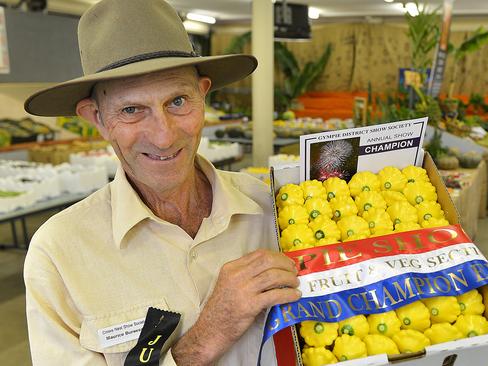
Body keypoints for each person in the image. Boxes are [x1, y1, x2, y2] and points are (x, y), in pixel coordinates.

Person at [22, 0, 300, 364]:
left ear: (203, 94)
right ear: (97, 118)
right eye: (132, 110)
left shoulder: (276, 210)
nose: (164, 136)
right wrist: (207, 334)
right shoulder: (59, 253)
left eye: (179, 101)